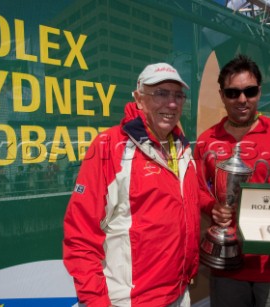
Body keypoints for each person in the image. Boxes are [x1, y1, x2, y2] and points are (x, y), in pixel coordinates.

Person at [63, 63, 214, 307]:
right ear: (139, 98)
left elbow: (187, 204)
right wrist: (96, 302)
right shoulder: (109, 147)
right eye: (161, 93)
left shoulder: (182, 148)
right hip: (131, 301)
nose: (172, 103)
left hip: (179, 293)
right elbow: (80, 237)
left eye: (178, 95)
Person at [195, 54, 270, 307]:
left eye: (249, 91)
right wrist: (211, 207)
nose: (242, 100)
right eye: (232, 93)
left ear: (259, 91)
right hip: (226, 264)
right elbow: (196, 189)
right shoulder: (207, 140)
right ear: (222, 94)